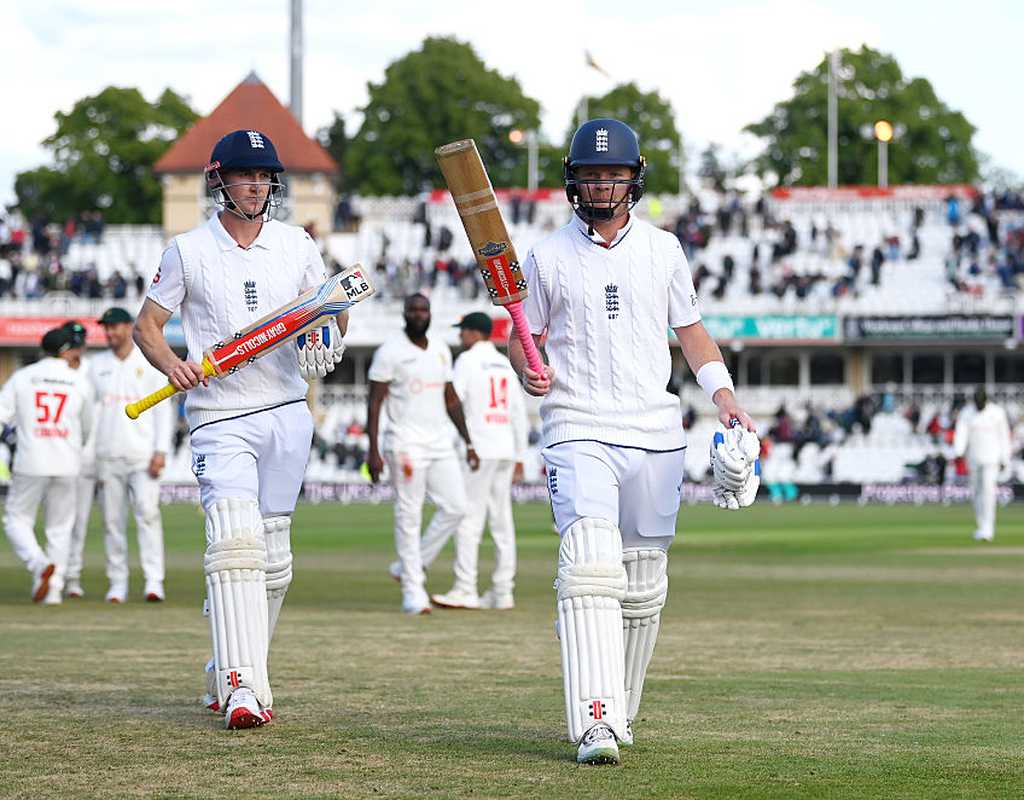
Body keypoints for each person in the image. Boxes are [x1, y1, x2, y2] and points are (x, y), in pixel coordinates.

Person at [508, 119, 760, 765]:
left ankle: (619, 713)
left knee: (642, 585)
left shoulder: (664, 250)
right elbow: (522, 335)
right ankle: (593, 720)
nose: (600, 185)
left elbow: (692, 332)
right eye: (590, 175)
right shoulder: (545, 256)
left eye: (612, 175)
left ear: (632, 178)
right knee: (591, 565)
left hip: (655, 430)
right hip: (577, 424)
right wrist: (527, 366)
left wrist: (724, 395)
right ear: (574, 180)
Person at [133, 129, 347, 729]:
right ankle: (242, 688)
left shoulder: (296, 243)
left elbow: (331, 304)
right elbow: (147, 327)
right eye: (244, 175)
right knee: (234, 544)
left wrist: (327, 333)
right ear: (219, 179)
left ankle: (228, 662)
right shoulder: (189, 250)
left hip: (286, 411)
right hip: (219, 416)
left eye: (264, 176)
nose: (256, 185)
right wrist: (172, 365)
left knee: (273, 560)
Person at [366, 293, 478, 615]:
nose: (418, 314)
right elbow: (374, 403)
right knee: (409, 515)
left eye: (424, 309)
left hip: (441, 441)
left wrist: (468, 441)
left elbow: (451, 399)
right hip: (404, 442)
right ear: (404, 313)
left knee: (456, 507)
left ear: (430, 313)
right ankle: (413, 592)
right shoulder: (390, 352)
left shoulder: (441, 348)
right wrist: (372, 451)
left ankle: (409, 566)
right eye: (413, 309)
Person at [431, 312, 528, 611]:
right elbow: (518, 412)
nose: (461, 337)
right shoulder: (503, 364)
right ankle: (502, 591)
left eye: (464, 332)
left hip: (479, 447)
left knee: (469, 519)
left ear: (475, 333)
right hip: (505, 448)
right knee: (502, 521)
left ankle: (465, 589)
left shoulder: (467, 361)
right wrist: (521, 456)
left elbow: (453, 402)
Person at [0, 327, 94, 604]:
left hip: (31, 459)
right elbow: (87, 427)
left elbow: (2, 416)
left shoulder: (23, 377)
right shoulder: (79, 382)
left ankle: (38, 564)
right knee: (60, 527)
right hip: (68, 461)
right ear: (66, 350)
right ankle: (53, 589)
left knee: (16, 519)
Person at [90, 307, 173, 603]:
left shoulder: (148, 363)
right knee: (112, 521)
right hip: (107, 454)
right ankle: (117, 583)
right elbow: (91, 414)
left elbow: (163, 410)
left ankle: (154, 582)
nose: (110, 333)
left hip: (142, 455)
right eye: (106, 328)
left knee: (148, 516)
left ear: (128, 327)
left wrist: (161, 451)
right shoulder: (96, 365)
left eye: (114, 327)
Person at [60, 319, 94, 599]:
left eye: (79, 344)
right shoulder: (51, 372)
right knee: (58, 521)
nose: (76, 350)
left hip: (84, 456)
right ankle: (53, 573)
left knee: (79, 520)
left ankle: (72, 576)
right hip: (56, 454)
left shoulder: (90, 372)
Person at [953, 387, 1011, 542]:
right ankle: (981, 527)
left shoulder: (997, 413)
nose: (979, 406)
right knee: (976, 492)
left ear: (986, 401)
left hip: (992, 459)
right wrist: (958, 452)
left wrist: (1005, 458)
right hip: (973, 458)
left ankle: (988, 528)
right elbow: (961, 433)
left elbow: (1004, 436)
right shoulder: (967, 413)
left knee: (988, 491)